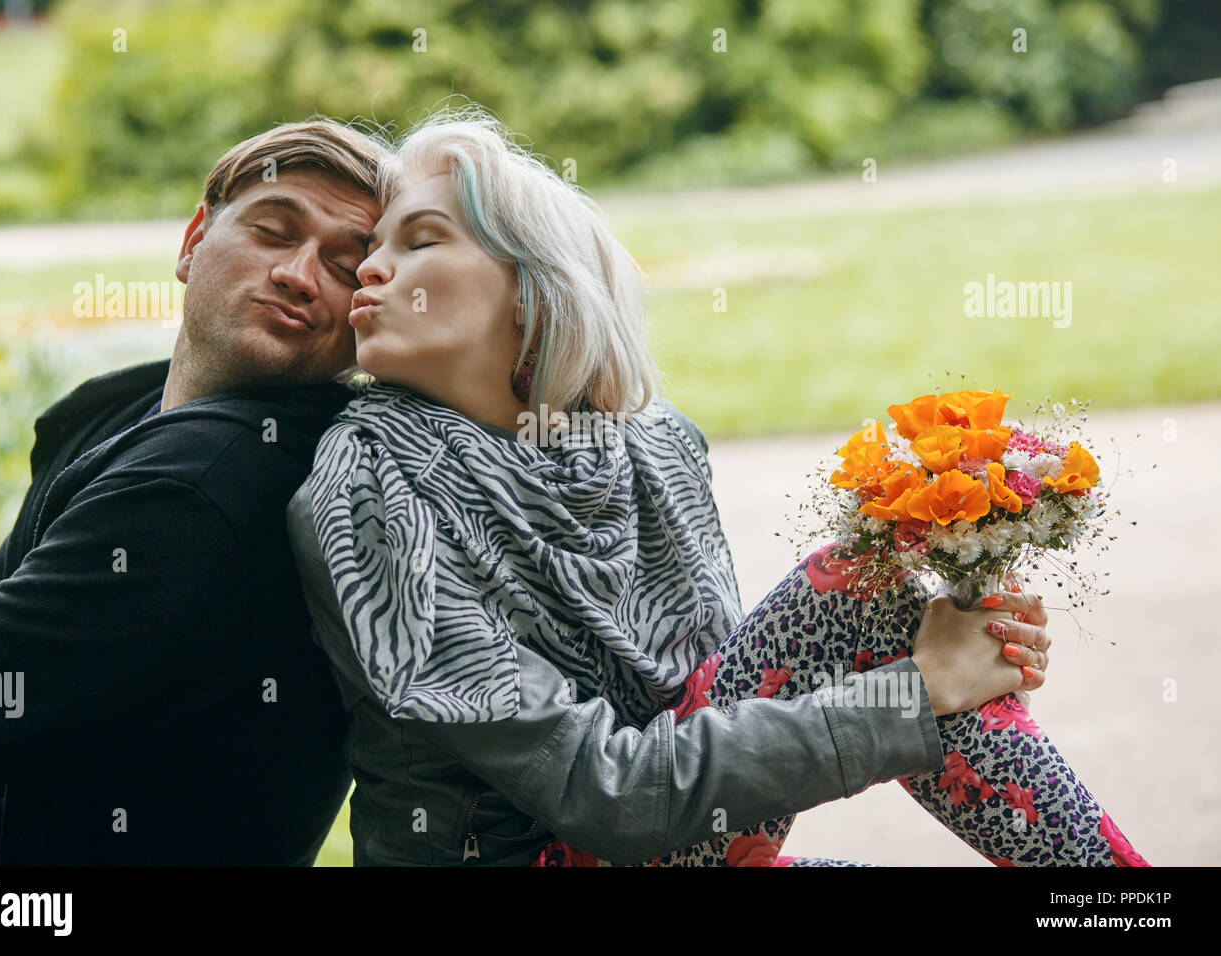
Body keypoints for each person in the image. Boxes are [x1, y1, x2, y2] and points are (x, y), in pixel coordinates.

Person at [287, 108, 1150, 866]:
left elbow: (729, 699)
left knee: (870, 596)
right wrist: (919, 692)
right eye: (375, 248)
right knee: (854, 593)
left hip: (679, 848)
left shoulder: (652, 444)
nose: (370, 269)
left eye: (420, 240)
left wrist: (968, 645)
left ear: (532, 285)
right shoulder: (369, 489)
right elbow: (609, 796)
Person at [0, 119, 391, 865]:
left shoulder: (211, 486)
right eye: (274, 230)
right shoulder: (124, 411)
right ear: (193, 240)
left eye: (345, 266)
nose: (300, 274)